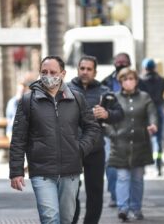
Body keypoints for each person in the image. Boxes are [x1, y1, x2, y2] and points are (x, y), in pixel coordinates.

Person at [9, 56, 101, 224]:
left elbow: (93, 128)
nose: (48, 75)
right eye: (44, 72)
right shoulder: (28, 100)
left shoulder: (76, 98)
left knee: (66, 219)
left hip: (70, 171)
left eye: (53, 72)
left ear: (63, 73)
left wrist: (79, 149)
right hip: (41, 171)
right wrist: (16, 171)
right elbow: (18, 138)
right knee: (50, 218)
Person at [69, 55, 124, 224]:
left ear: (95, 71)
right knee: (71, 192)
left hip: (95, 148)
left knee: (95, 192)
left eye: (89, 69)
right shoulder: (66, 90)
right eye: (82, 68)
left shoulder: (105, 92)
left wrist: (107, 114)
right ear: (78, 69)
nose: (85, 72)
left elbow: (119, 114)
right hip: (72, 148)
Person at [106, 68, 157, 221]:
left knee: (137, 178)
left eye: (131, 78)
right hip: (120, 145)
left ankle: (136, 208)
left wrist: (153, 125)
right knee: (122, 177)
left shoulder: (144, 97)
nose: (128, 81)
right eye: (125, 79)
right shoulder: (113, 98)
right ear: (120, 82)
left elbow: (152, 113)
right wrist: (112, 133)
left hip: (140, 145)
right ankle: (123, 208)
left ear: (136, 80)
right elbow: (107, 119)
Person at [101, 52, 132, 207]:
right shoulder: (106, 82)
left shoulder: (137, 81)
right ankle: (115, 195)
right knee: (111, 163)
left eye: (124, 61)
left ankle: (129, 198)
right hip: (111, 129)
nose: (121, 63)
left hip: (132, 130)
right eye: (118, 61)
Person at [139, 58, 164, 176]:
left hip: (144, 111)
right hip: (159, 110)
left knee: (144, 139)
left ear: (144, 68)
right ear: (154, 68)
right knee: (158, 139)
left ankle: (143, 168)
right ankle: (158, 167)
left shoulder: (140, 81)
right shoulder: (161, 80)